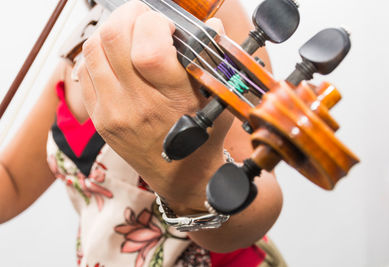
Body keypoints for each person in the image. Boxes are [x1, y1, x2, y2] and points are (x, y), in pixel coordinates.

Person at [0, 0, 285, 266]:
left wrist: (192, 183)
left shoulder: (206, 17)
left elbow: (259, 199)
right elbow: (12, 184)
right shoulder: (79, 53)